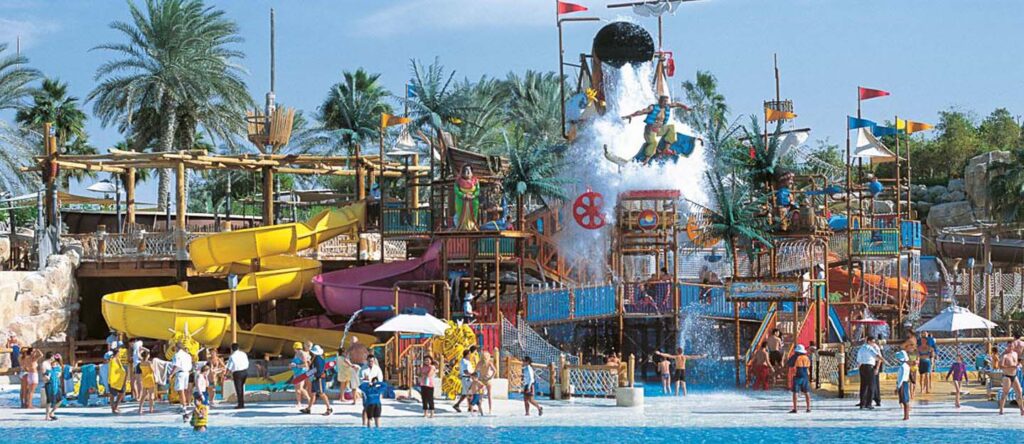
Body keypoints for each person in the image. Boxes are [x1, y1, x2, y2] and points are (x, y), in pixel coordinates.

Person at [622, 95, 691, 164]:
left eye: (667, 102)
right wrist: (631, 115)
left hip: (659, 130)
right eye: (664, 101)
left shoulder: (667, 107)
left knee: (671, 127)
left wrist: (686, 108)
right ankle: (646, 159)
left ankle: (666, 149)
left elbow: (677, 104)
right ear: (660, 101)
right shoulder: (652, 108)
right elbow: (641, 112)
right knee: (654, 142)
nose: (666, 103)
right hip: (649, 131)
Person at [301, 345, 332, 416]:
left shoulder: (318, 358)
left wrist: (315, 375)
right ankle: (308, 408)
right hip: (316, 378)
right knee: (313, 394)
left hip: (319, 378)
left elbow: (319, 370)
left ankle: (329, 408)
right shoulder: (317, 358)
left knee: (322, 394)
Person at [997, 342, 1024, 415]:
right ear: (1007, 347)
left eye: (1011, 346)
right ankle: (1001, 410)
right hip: (1007, 376)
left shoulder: (1015, 354)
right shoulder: (1005, 355)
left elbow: (1017, 362)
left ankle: (1022, 410)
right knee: (1005, 393)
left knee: (1019, 392)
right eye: (1009, 346)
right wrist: (1011, 366)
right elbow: (1001, 366)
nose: (1010, 348)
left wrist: (1018, 364)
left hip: (1014, 375)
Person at [856, 336, 882, 410]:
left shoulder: (862, 348)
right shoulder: (870, 348)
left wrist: (877, 368)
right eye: (872, 342)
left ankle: (863, 403)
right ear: (868, 341)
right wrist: (884, 360)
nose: (874, 343)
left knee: (864, 386)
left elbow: (858, 359)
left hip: (863, 367)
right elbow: (878, 356)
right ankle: (868, 403)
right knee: (871, 386)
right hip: (869, 367)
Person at [787, 345, 811, 413]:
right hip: (805, 376)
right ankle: (808, 408)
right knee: (806, 392)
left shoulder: (795, 357)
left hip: (797, 375)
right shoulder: (806, 357)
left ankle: (795, 408)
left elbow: (789, 364)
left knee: (795, 392)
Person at [171, 342, 193, 413]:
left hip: (180, 373)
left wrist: (171, 374)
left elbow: (176, 365)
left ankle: (183, 406)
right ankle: (184, 404)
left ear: (177, 347)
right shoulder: (187, 355)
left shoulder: (177, 355)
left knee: (181, 391)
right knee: (185, 389)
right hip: (187, 372)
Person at [226, 343, 249, 409]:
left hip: (237, 373)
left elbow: (229, 366)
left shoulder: (232, 356)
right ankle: (242, 403)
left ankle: (240, 404)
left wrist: (226, 374)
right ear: (238, 348)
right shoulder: (243, 354)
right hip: (245, 371)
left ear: (232, 349)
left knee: (238, 389)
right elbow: (247, 362)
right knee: (242, 387)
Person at [289, 342, 311, 408]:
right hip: (297, 373)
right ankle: (299, 403)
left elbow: (306, 365)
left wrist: (296, 366)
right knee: (297, 389)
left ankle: (309, 400)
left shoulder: (302, 353)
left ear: (295, 348)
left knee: (300, 388)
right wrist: (291, 365)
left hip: (301, 373)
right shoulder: (297, 353)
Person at [43, 353, 62, 421]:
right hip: (49, 384)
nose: (54, 364)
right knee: (49, 400)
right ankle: (47, 416)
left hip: (57, 384)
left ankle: (51, 412)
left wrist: (58, 373)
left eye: (55, 363)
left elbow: (59, 373)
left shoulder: (58, 367)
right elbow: (44, 375)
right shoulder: (47, 368)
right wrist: (47, 377)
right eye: (53, 363)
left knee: (60, 400)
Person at [137, 350, 156, 415]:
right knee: (151, 394)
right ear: (147, 356)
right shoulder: (149, 363)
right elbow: (153, 370)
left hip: (144, 378)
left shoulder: (141, 363)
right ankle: (151, 409)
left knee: (144, 395)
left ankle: (140, 408)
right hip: (150, 378)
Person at [895, 350, 911, 421]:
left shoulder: (903, 367)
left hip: (902, 384)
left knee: (905, 401)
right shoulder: (906, 366)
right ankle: (906, 416)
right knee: (905, 400)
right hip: (904, 383)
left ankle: (906, 416)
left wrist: (898, 387)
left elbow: (901, 378)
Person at [129, 338, 145, 402]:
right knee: (132, 382)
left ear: (133, 342)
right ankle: (137, 396)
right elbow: (141, 350)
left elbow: (141, 348)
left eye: (130, 344)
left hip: (138, 364)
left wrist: (141, 357)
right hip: (135, 365)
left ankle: (140, 397)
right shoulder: (136, 346)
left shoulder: (137, 344)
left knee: (139, 382)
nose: (130, 346)